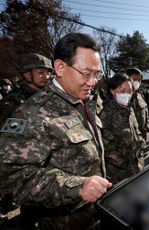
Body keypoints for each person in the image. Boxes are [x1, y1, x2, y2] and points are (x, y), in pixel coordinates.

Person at [0, 33, 112, 230]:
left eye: (97, 74)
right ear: (60, 67)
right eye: (86, 73)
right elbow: (11, 177)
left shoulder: (84, 102)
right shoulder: (33, 113)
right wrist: (77, 187)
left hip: (93, 216)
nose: (92, 82)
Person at [100, 72, 145, 184]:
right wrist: (125, 163)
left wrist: (141, 145)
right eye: (122, 91)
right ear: (112, 91)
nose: (127, 94)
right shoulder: (105, 115)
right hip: (121, 173)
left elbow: (136, 131)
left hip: (138, 165)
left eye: (129, 91)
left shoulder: (129, 109)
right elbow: (107, 149)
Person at [0, 53, 53, 126]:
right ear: (27, 74)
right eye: (41, 72)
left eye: (48, 73)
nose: (46, 77)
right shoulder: (14, 102)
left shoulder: (50, 95)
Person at [126, 68, 149, 141]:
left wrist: (147, 125)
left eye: (139, 80)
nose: (138, 82)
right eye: (134, 79)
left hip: (142, 133)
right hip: (129, 137)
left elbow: (145, 110)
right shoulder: (121, 96)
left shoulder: (140, 95)